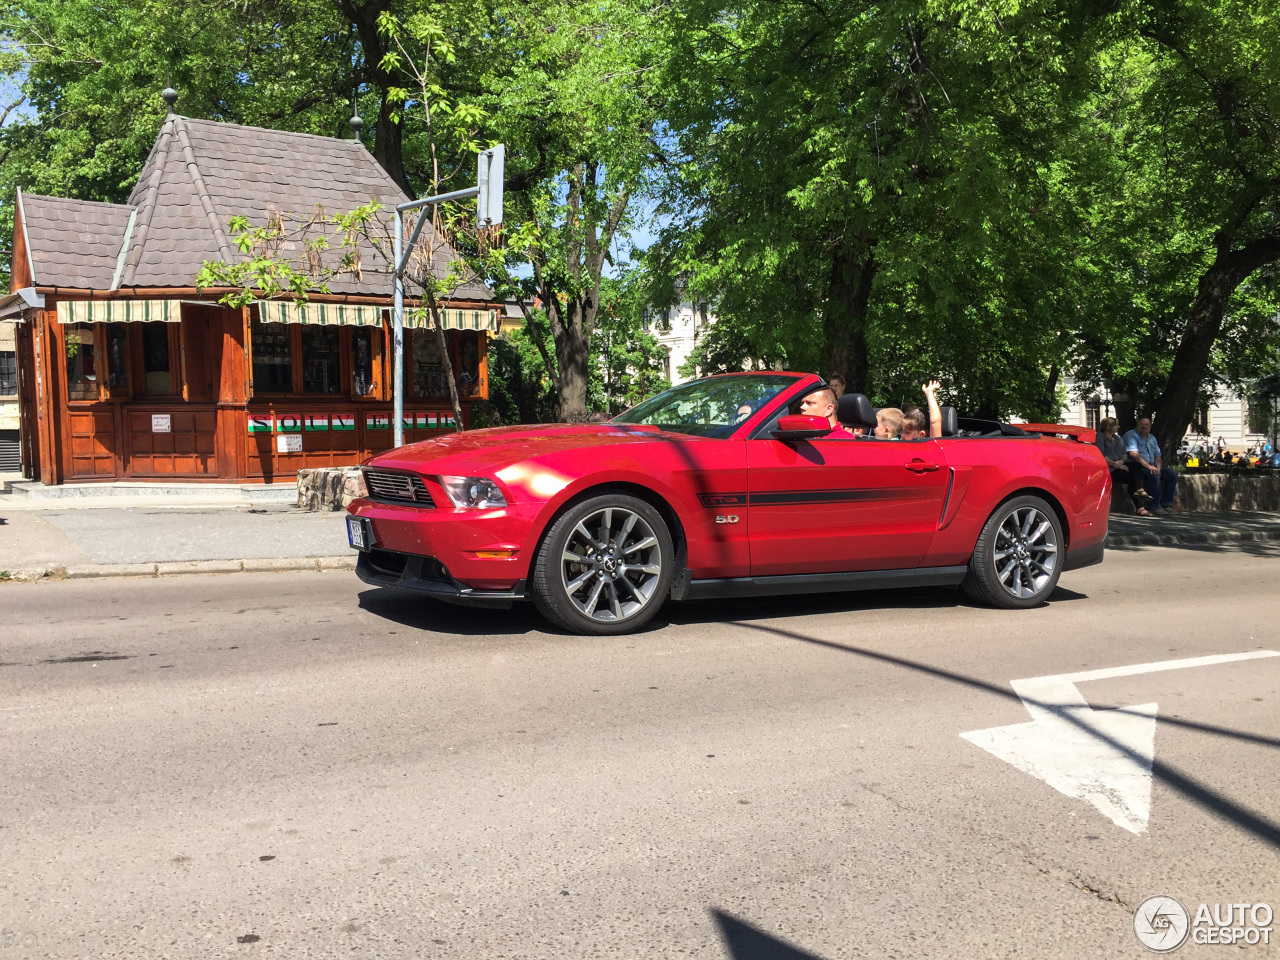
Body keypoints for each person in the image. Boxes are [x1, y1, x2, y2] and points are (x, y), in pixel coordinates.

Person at [1096, 417, 1151, 515]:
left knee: (1136, 466)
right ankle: (1141, 507)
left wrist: (1121, 462)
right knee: (1132, 479)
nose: (1118, 426)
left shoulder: (1118, 438)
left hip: (1119, 464)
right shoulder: (1100, 436)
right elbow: (1100, 455)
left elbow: (1124, 454)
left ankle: (1140, 490)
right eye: (1116, 425)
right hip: (1109, 468)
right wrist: (1116, 465)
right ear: (1109, 426)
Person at [1124, 416, 1178, 515]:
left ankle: (1166, 504)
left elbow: (1157, 455)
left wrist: (1158, 468)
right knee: (1154, 475)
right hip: (1137, 467)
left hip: (1151, 466)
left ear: (1150, 427)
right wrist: (1149, 466)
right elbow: (1133, 454)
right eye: (1142, 424)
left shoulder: (1152, 438)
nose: (1144, 426)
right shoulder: (1130, 435)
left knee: (1172, 474)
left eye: (1146, 425)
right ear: (1137, 425)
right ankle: (1155, 507)